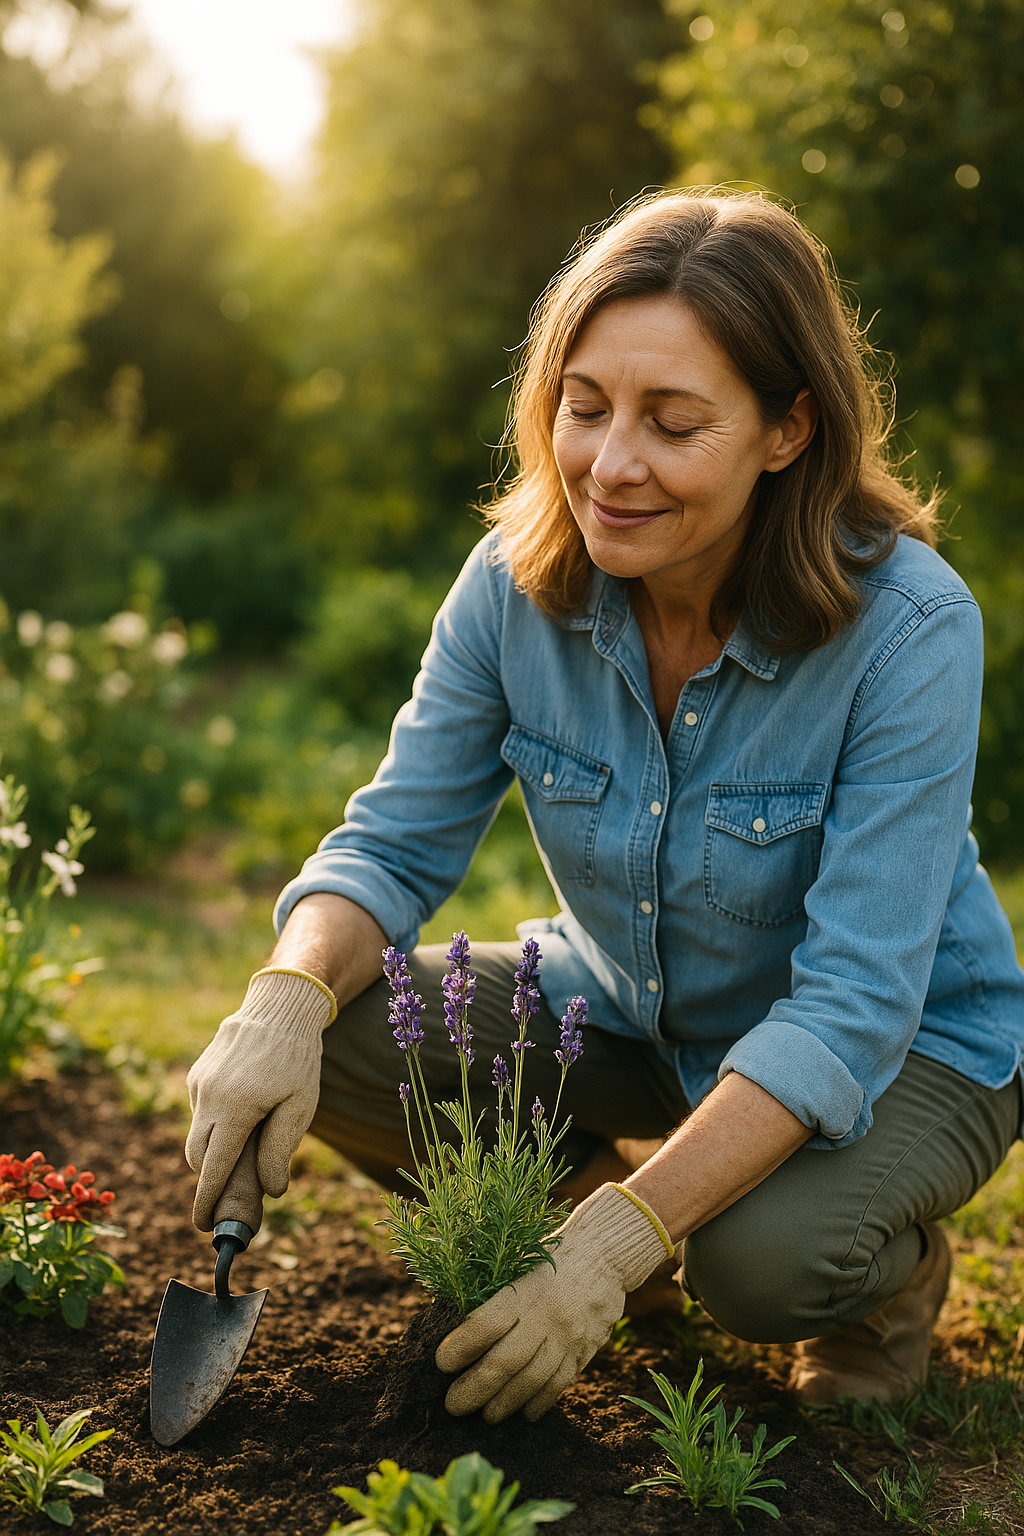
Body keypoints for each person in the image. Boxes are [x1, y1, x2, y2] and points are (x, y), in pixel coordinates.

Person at [185, 190, 1024, 1426]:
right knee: (344, 1040)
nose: (609, 463)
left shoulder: (909, 628)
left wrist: (617, 1242)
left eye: (672, 423)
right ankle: (603, 1215)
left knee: (755, 1266)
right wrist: (284, 995)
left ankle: (871, 1290)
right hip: (630, 1011)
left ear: (787, 429)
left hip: (907, 1049)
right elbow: (394, 840)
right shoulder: (514, 585)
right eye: (584, 408)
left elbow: (852, 1007)